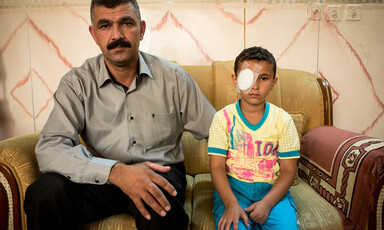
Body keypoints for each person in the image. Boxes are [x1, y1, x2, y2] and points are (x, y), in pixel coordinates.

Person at [24, 0, 215, 229]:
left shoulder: (175, 79)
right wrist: (115, 172)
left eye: (126, 23)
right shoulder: (77, 84)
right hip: (100, 177)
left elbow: (217, 132)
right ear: (94, 34)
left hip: (158, 173)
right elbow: (50, 148)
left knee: (158, 212)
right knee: (44, 192)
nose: (117, 35)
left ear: (142, 29)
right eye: (105, 26)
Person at [208, 46, 300, 230]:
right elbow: (217, 166)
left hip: (272, 193)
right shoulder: (222, 119)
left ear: (274, 82)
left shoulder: (283, 120)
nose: (255, 86)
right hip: (234, 192)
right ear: (235, 80)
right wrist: (231, 204)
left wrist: (267, 203)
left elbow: (289, 170)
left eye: (263, 78)